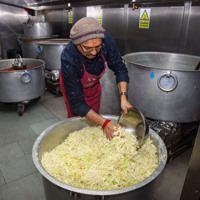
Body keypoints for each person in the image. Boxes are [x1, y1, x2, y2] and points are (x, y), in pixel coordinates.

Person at [60, 17, 132, 140]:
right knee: (75, 117)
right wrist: (105, 123)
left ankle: (93, 139)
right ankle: (76, 140)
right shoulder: (68, 58)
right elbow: (76, 103)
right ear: (76, 44)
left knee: (94, 114)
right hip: (74, 86)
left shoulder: (105, 39)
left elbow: (119, 68)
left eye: (98, 47)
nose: (94, 53)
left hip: (92, 85)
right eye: (87, 48)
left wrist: (123, 97)